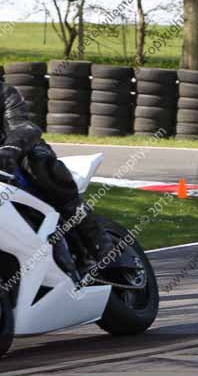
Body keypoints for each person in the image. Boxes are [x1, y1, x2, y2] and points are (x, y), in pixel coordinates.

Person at [0, 82, 115, 274]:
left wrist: (10, 148)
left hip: (16, 154)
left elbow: (25, 127)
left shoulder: (4, 92)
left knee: (40, 164)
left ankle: (100, 243)